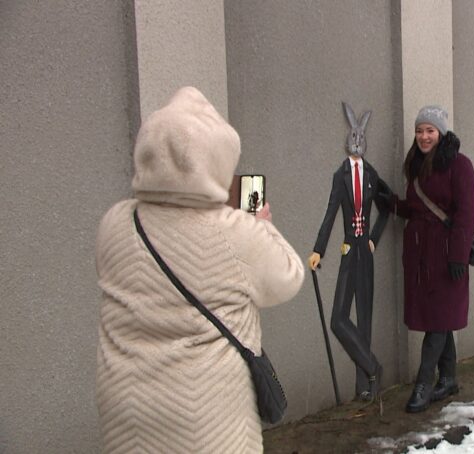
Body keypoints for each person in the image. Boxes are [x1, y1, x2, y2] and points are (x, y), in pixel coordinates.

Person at [95, 87, 304, 453]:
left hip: (126, 407)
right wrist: (261, 225)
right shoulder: (234, 232)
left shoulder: (114, 222)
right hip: (205, 416)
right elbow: (289, 277)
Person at [390, 105, 474, 413]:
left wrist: (458, 256)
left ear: (441, 132)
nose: (424, 136)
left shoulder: (459, 165)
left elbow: (466, 214)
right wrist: (391, 204)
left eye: (430, 130)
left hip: (446, 256)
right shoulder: (417, 164)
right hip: (421, 256)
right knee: (441, 318)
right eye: (419, 131)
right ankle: (449, 378)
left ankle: (423, 384)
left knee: (437, 323)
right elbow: (417, 209)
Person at [308, 102, 390, 402]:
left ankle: (365, 386)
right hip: (347, 250)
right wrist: (319, 250)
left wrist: (374, 238)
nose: (356, 142)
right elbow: (331, 213)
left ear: (364, 140)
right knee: (338, 318)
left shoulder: (371, 174)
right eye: (353, 137)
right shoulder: (340, 175)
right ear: (348, 139)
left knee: (364, 319)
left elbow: (387, 206)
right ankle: (372, 366)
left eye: (360, 137)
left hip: (364, 253)